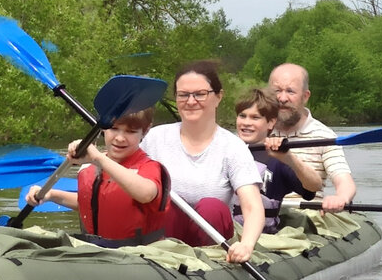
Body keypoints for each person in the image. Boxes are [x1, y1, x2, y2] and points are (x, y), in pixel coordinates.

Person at [140, 61, 265, 264]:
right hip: (164, 240)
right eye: (183, 94)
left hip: (212, 240)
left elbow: (252, 206)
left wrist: (247, 244)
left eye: (200, 94)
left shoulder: (233, 147)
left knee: (211, 206)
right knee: (166, 204)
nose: (190, 101)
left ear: (218, 97)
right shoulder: (154, 138)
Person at [25, 107, 168, 244]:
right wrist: (52, 195)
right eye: (114, 128)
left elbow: (146, 194)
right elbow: (93, 204)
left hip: (138, 255)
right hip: (96, 250)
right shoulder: (88, 167)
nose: (120, 138)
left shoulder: (149, 167)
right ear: (103, 128)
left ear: (145, 131)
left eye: (130, 131)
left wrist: (98, 158)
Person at [268, 63, 357, 212]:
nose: (282, 98)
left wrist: (341, 198)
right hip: (262, 214)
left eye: (290, 91)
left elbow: (344, 181)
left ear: (305, 96)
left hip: (307, 216)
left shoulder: (324, 136)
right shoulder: (257, 131)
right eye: (277, 91)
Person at [231, 87, 322, 233]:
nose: (246, 123)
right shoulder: (225, 152)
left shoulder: (278, 159)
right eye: (242, 116)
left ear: (270, 123)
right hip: (224, 232)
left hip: (262, 238)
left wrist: (289, 159)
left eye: (255, 117)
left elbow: (314, 187)